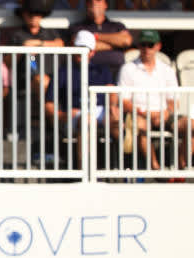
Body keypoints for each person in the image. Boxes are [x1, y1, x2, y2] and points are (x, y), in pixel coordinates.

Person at [45, 30, 116, 168]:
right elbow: (49, 104)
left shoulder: (103, 70)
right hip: (74, 115)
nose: (81, 53)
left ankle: (128, 168)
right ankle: (86, 170)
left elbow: (112, 92)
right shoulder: (63, 71)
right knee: (87, 120)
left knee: (118, 122)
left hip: (101, 112)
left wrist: (113, 107)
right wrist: (62, 115)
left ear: (92, 52)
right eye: (78, 48)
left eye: (85, 49)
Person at [117, 30, 178, 170]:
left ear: (158, 46)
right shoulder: (127, 69)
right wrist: (144, 113)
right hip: (139, 115)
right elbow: (124, 102)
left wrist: (166, 113)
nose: (146, 49)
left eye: (150, 45)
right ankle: (156, 168)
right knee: (140, 125)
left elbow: (173, 101)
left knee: (190, 125)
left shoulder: (166, 70)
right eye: (143, 44)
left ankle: (182, 167)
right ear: (138, 46)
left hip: (164, 114)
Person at [9, 0, 64, 93]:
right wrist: (22, 50)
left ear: (42, 15)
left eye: (37, 13)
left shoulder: (50, 32)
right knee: (42, 81)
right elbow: (7, 61)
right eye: (30, 13)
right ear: (23, 14)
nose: (34, 17)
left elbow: (60, 44)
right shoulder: (17, 35)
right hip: (26, 81)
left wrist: (38, 44)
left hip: (53, 78)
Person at [69, 0, 133, 79]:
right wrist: (115, 45)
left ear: (105, 4)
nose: (94, 3)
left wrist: (95, 36)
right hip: (89, 77)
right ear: (86, 4)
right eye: (90, 1)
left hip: (117, 77)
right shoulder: (78, 27)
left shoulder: (117, 26)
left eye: (98, 0)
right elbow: (81, 46)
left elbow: (126, 41)